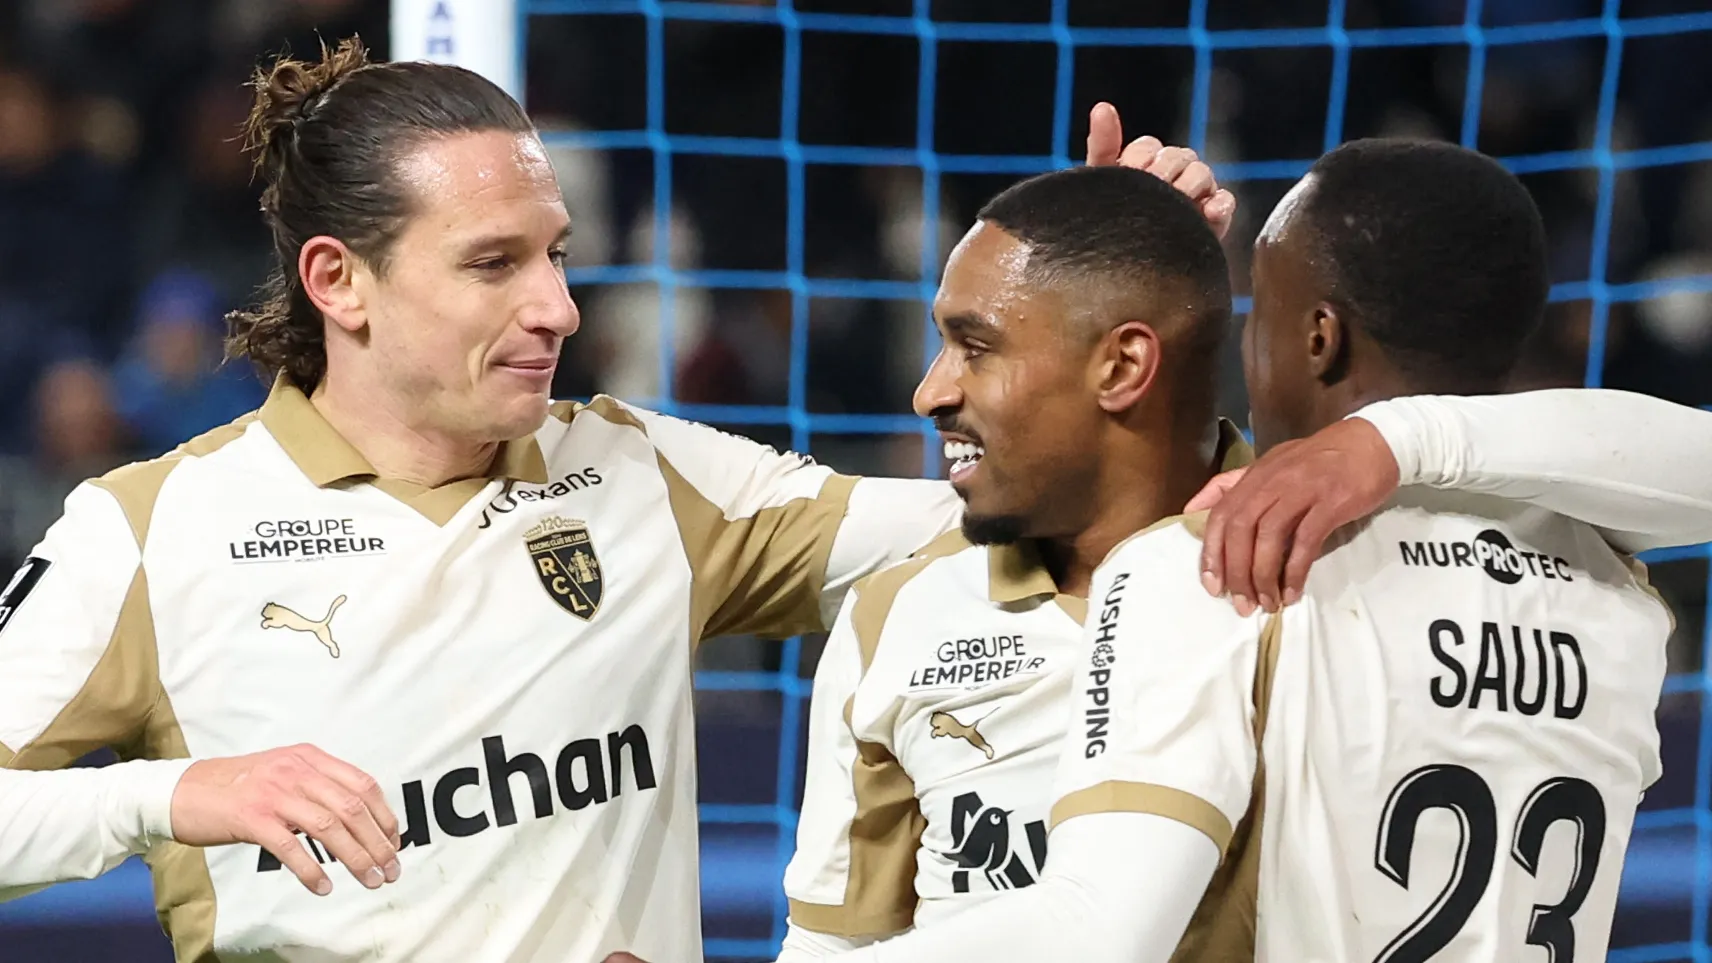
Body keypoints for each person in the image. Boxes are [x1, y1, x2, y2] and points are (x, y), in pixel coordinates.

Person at [0, 38, 958, 963]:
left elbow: (975, 534)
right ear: (338, 280)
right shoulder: (148, 531)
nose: (558, 308)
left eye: (556, 254)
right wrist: (173, 796)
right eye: (493, 263)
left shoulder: (645, 476)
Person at [759, 138, 1712, 963]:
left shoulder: (1224, 568)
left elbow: (1097, 930)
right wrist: (1101, 268)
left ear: (1319, 338)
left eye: (1256, 315)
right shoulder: (1616, 589)